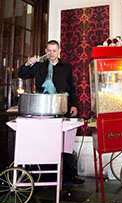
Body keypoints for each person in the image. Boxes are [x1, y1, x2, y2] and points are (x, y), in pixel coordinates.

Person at [18, 40, 84, 185]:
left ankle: (69, 176)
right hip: (44, 109)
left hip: (63, 108)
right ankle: (45, 175)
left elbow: (71, 87)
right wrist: (28, 63)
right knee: (45, 141)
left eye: (54, 50)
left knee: (65, 142)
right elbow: (21, 74)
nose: (51, 54)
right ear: (46, 50)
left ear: (59, 50)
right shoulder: (39, 66)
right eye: (49, 50)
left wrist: (73, 105)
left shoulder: (66, 67)